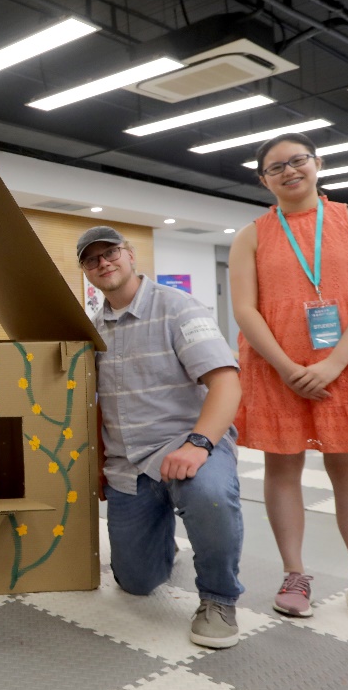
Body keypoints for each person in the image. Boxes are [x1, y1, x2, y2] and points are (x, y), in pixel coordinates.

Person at [229, 133, 348, 630]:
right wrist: (286, 367)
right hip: (276, 367)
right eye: (276, 167)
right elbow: (245, 310)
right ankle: (294, 575)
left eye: (298, 161)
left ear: (319, 163)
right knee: (282, 469)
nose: (290, 171)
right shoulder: (251, 234)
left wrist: (332, 364)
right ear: (262, 179)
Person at [80, 226, 245, 649]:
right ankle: (161, 534)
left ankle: (219, 598)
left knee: (208, 493)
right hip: (127, 462)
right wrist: (97, 462)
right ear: (85, 271)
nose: (103, 263)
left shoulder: (178, 308)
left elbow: (226, 383)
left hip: (187, 444)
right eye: (91, 259)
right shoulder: (93, 328)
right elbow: (95, 406)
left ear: (131, 255)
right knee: (136, 583)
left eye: (110, 253)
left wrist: (199, 444)